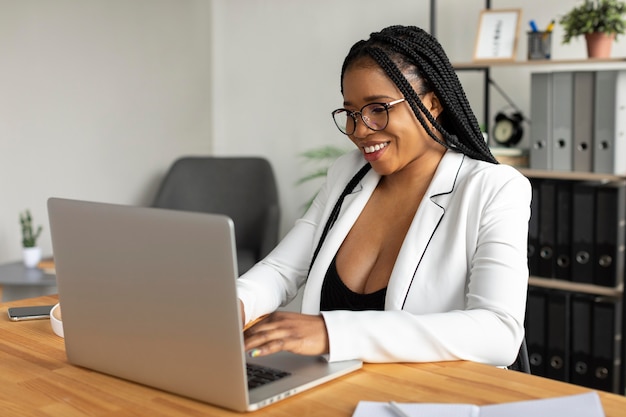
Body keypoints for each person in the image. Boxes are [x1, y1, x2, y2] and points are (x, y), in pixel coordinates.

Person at [237, 25, 531, 366]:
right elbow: (280, 270)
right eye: (351, 113)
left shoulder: (493, 188)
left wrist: (333, 333)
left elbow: (498, 332)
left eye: (378, 108)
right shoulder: (346, 174)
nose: (360, 130)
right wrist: (231, 306)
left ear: (432, 103)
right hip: (333, 391)